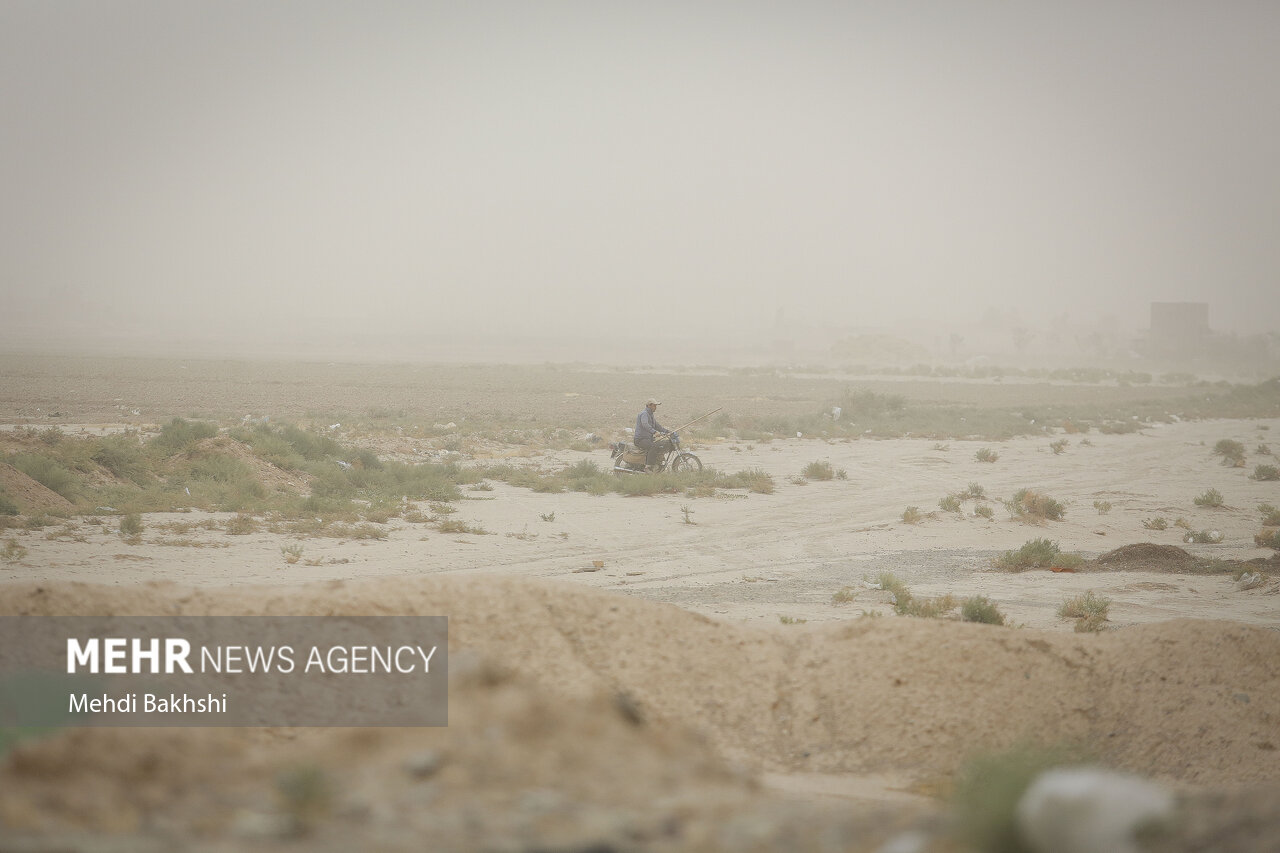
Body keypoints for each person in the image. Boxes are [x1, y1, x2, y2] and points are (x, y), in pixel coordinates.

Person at [634, 398, 672, 471]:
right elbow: (645, 424)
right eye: (654, 406)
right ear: (649, 406)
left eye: (656, 406)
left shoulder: (651, 415)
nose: (655, 407)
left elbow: (657, 426)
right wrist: (654, 432)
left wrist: (668, 431)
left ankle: (657, 463)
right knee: (653, 446)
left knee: (659, 445)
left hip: (647, 439)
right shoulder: (644, 414)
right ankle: (648, 467)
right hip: (640, 439)